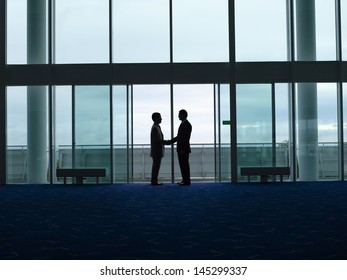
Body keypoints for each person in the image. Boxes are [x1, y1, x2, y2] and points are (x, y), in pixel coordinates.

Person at [171, 109, 192, 185]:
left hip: (183, 149)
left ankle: (186, 180)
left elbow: (186, 138)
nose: (178, 116)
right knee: (182, 164)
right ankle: (185, 179)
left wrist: (182, 148)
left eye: (179, 114)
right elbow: (180, 137)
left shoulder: (187, 124)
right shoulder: (184, 124)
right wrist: (171, 141)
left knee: (184, 164)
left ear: (183, 115)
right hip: (181, 148)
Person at [150, 112, 170, 185]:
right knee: (156, 166)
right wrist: (170, 142)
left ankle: (154, 180)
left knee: (156, 166)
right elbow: (158, 141)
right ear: (156, 118)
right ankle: (154, 181)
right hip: (156, 151)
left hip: (157, 151)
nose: (161, 118)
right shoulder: (155, 128)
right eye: (160, 117)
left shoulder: (157, 127)